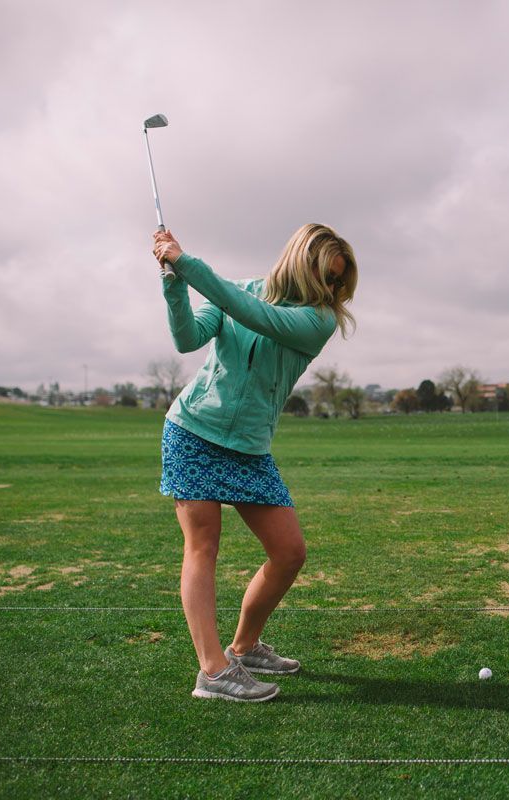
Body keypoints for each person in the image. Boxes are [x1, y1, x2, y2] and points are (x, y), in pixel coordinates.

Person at [151, 224, 357, 702]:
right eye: (326, 276)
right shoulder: (240, 289)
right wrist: (173, 285)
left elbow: (255, 314)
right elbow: (187, 338)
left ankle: (243, 648)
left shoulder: (318, 320)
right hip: (192, 430)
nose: (331, 289)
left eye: (338, 281)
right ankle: (213, 671)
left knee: (289, 552)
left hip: (249, 445)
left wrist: (187, 263)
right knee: (202, 546)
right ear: (301, 262)